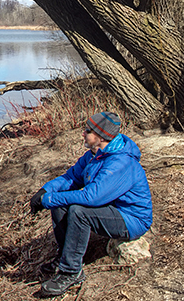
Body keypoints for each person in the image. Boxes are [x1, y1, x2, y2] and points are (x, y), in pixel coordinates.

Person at [28, 111, 152, 297]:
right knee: (61, 202)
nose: (83, 134)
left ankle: (71, 272)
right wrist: (46, 191)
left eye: (87, 131)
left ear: (100, 136)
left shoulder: (120, 162)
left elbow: (91, 197)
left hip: (131, 218)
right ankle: (65, 256)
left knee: (79, 211)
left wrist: (49, 200)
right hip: (111, 209)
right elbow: (71, 177)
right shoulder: (94, 155)